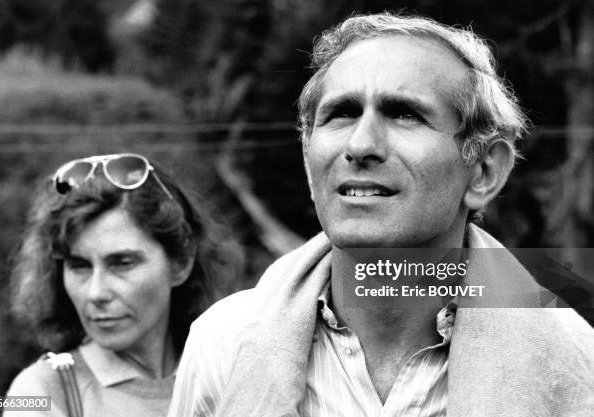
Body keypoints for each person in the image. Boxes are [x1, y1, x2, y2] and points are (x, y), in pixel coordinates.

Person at [168, 12, 594, 417]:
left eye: (404, 114)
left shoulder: (575, 361)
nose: (360, 144)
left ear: (484, 171)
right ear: (306, 156)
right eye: (341, 113)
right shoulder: (224, 344)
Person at [5, 153, 243, 417]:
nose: (95, 293)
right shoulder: (39, 392)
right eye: (79, 265)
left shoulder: (230, 375)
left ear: (181, 262)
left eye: (122, 263)